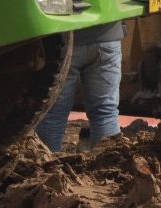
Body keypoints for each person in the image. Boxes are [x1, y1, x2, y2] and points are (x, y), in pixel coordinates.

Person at [35, 20, 124, 153]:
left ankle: (47, 169)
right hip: (107, 37)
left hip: (60, 42)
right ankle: (109, 169)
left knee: (53, 114)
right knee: (105, 112)